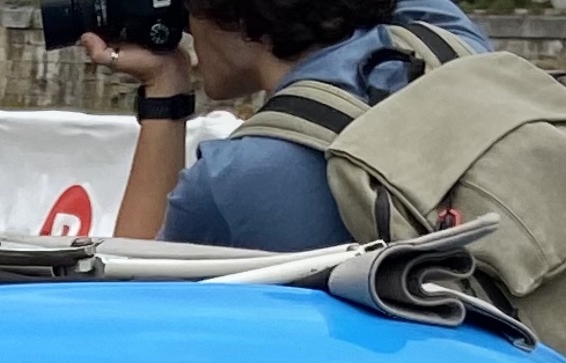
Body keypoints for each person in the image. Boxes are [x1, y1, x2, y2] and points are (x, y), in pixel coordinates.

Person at [87, 0, 494, 251]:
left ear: (240, 19)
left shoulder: (238, 177)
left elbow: (130, 285)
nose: (187, 27)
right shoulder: (453, 45)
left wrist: (164, 87)